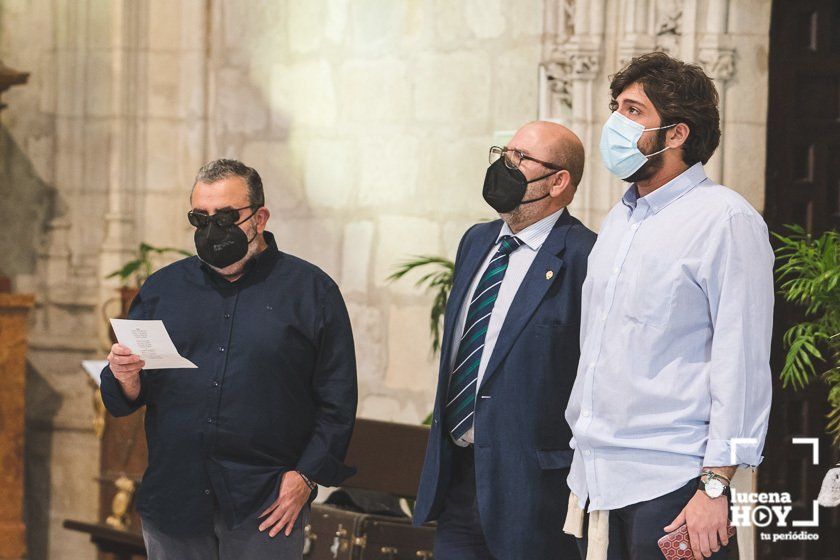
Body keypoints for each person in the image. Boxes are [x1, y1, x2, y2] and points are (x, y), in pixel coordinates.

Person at [564, 52, 774, 560]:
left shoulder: (725, 219)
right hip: (598, 477)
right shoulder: (620, 219)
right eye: (616, 107)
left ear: (676, 134)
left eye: (633, 111)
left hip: (676, 484)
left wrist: (716, 488)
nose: (614, 121)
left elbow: (740, 361)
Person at [100, 159, 358, 560]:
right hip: (175, 501)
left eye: (226, 216)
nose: (212, 229)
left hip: (266, 505)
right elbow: (128, 393)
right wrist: (125, 376)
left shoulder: (312, 292)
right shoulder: (163, 289)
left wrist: (305, 477)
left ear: (259, 217)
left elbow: (337, 402)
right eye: (200, 218)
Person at [413, 121, 596, 559]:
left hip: (534, 494)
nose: (504, 165)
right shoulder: (476, 242)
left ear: (558, 181)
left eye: (521, 158)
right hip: (458, 479)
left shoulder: (586, 257)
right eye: (504, 152)